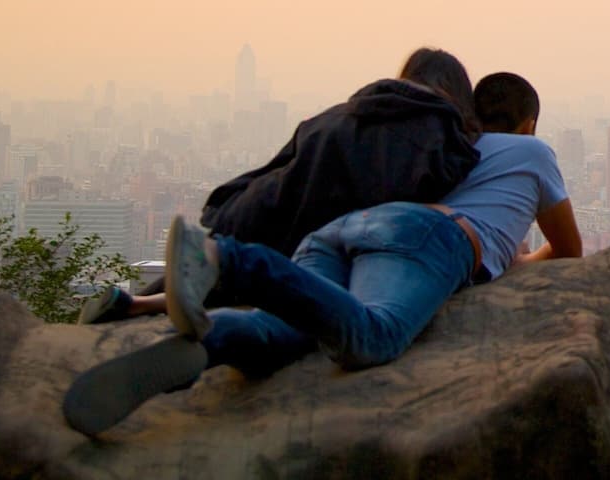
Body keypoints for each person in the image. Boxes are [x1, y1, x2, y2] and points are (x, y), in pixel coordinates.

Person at [62, 72, 581, 436]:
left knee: (281, 333)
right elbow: (568, 249)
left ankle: (211, 341)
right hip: (427, 240)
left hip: (350, 230)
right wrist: (513, 260)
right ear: (529, 124)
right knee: (370, 338)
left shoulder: (450, 145)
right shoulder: (533, 152)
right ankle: (227, 258)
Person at [78, 47, 483, 322]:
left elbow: (276, 168)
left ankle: (131, 304)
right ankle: (148, 310)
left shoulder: (338, 114)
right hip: (318, 236)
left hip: (261, 211)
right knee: (245, 292)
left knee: (214, 277)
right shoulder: (441, 135)